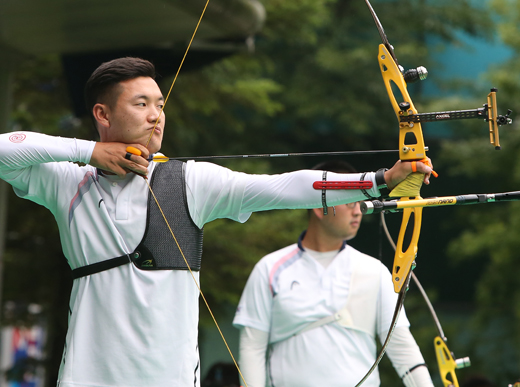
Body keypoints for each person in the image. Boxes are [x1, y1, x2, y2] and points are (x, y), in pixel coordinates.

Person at [0, 57, 432, 387]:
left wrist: (379, 179)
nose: (156, 115)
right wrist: (89, 153)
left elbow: (282, 188)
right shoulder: (65, 181)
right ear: (103, 115)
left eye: (160, 104)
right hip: (87, 377)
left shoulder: (188, 182)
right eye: (141, 104)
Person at [233, 161, 435, 387]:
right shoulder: (269, 268)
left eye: (361, 201)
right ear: (320, 207)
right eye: (349, 201)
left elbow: (402, 348)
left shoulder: (375, 271)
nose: (358, 210)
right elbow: (252, 348)